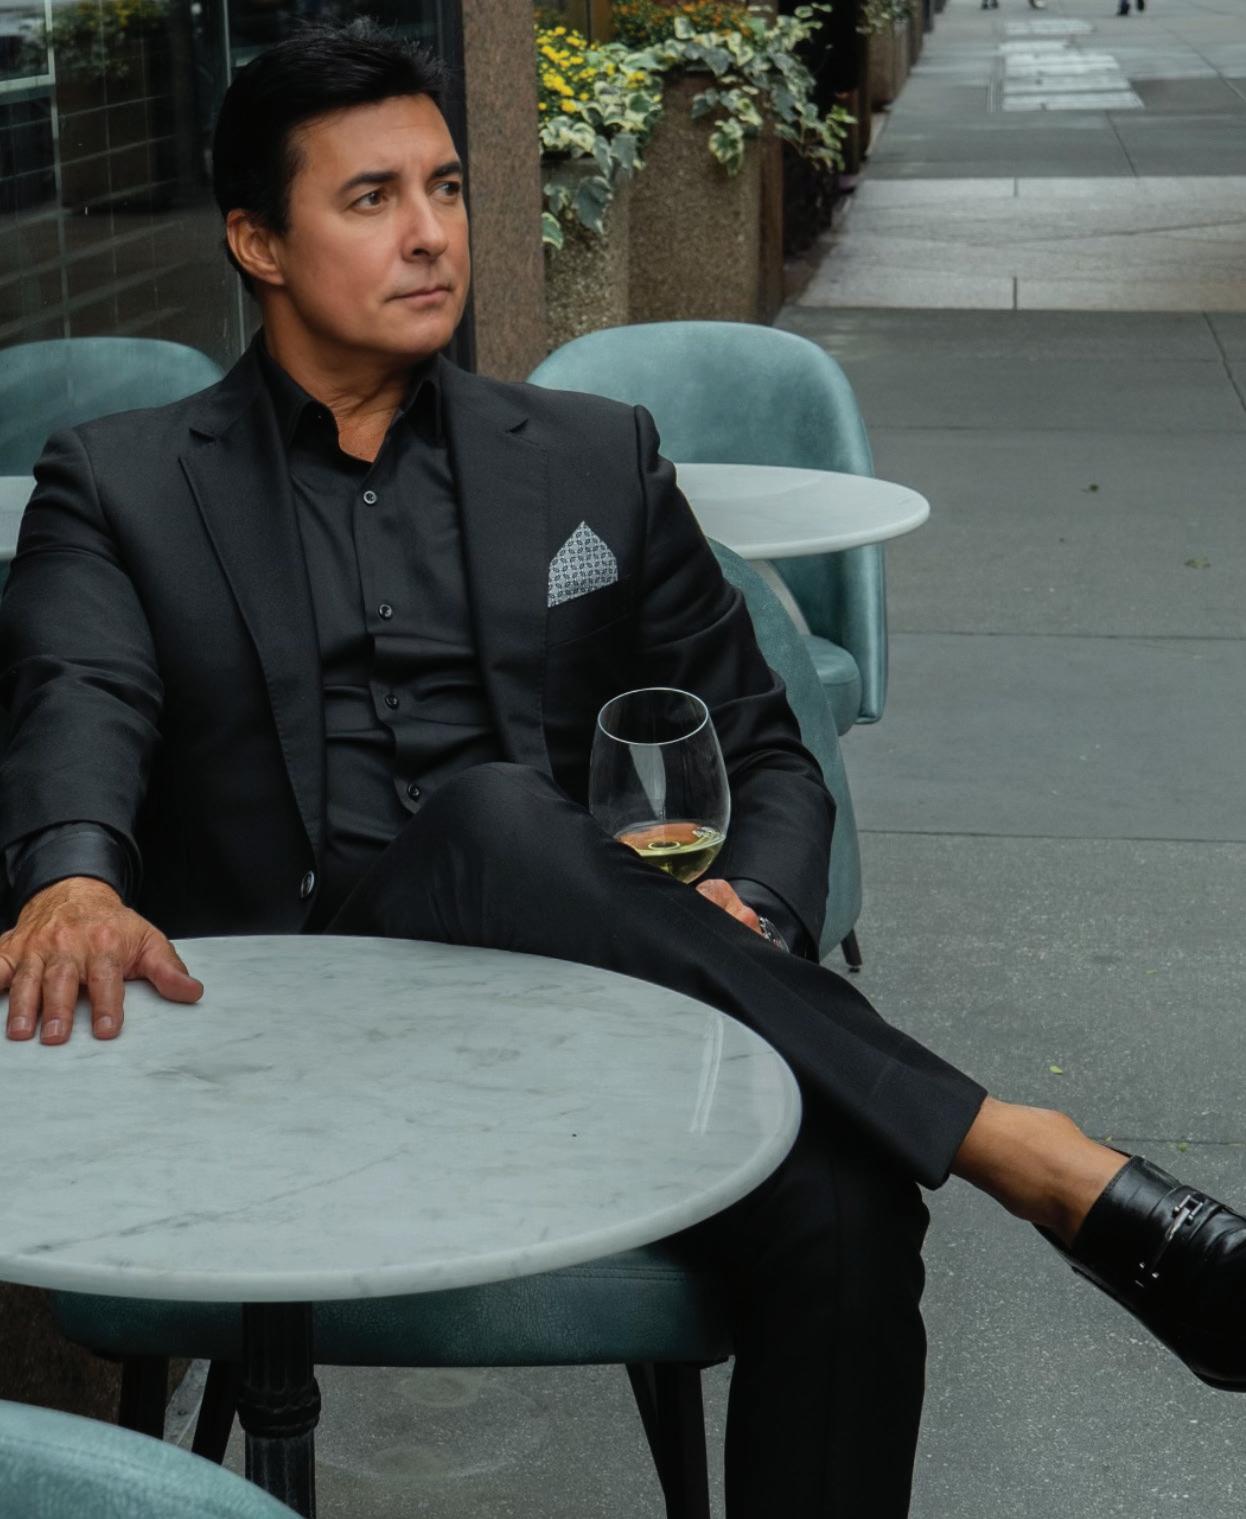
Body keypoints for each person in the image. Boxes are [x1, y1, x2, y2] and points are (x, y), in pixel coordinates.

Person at [0, 20, 1241, 1516]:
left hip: (590, 1032)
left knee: (847, 1206)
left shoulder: (592, 458)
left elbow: (765, 748)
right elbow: (80, 695)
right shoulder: (122, 481)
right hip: (286, 1061)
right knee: (490, 814)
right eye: (372, 198)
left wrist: (754, 914)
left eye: (447, 187)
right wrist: (72, 876)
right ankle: (1018, 1148)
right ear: (257, 239)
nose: (431, 234)